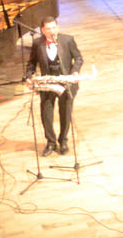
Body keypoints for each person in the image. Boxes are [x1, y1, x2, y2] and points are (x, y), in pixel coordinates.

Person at [25, 19, 82, 155]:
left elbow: (78, 58)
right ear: (42, 30)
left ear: (57, 27)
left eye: (54, 28)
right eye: (48, 29)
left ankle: (63, 141)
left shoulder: (67, 40)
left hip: (66, 82)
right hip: (47, 83)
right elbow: (32, 63)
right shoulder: (37, 43)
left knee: (65, 112)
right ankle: (51, 142)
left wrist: (74, 71)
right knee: (46, 114)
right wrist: (29, 76)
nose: (52, 31)